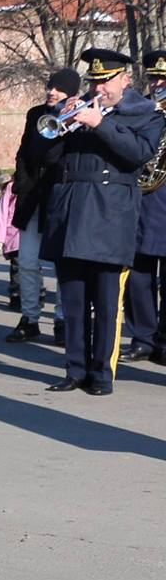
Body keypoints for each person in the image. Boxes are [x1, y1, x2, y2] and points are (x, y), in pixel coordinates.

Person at [43, 48, 165, 394]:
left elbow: (140, 154)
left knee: (107, 303)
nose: (99, 89)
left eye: (106, 81)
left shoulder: (146, 116)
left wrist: (101, 124)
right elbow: (46, 157)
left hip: (110, 218)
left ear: (126, 80)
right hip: (70, 215)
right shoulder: (78, 111)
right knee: (74, 300)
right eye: (94, 81)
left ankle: (101, 375)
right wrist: (59, 124)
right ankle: (75, 369)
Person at [7, 69, 75, 343]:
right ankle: (30, 318)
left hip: (59, 196)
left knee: (61, 265)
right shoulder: (35, 114)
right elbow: (24, 152)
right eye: (50, 87)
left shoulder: (76, 115)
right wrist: (22, 186)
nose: (52, 92)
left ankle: (61, 320)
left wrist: (69, 117)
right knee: (26, 261)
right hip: (33, 196)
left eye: (59, 89)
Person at [126, 52, 166, 361]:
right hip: (140, 201)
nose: (158, 83)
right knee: (138, 276)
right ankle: (143, 338)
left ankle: (163, 339)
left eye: (164, 78)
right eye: (154, 77)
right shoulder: (139, 110)